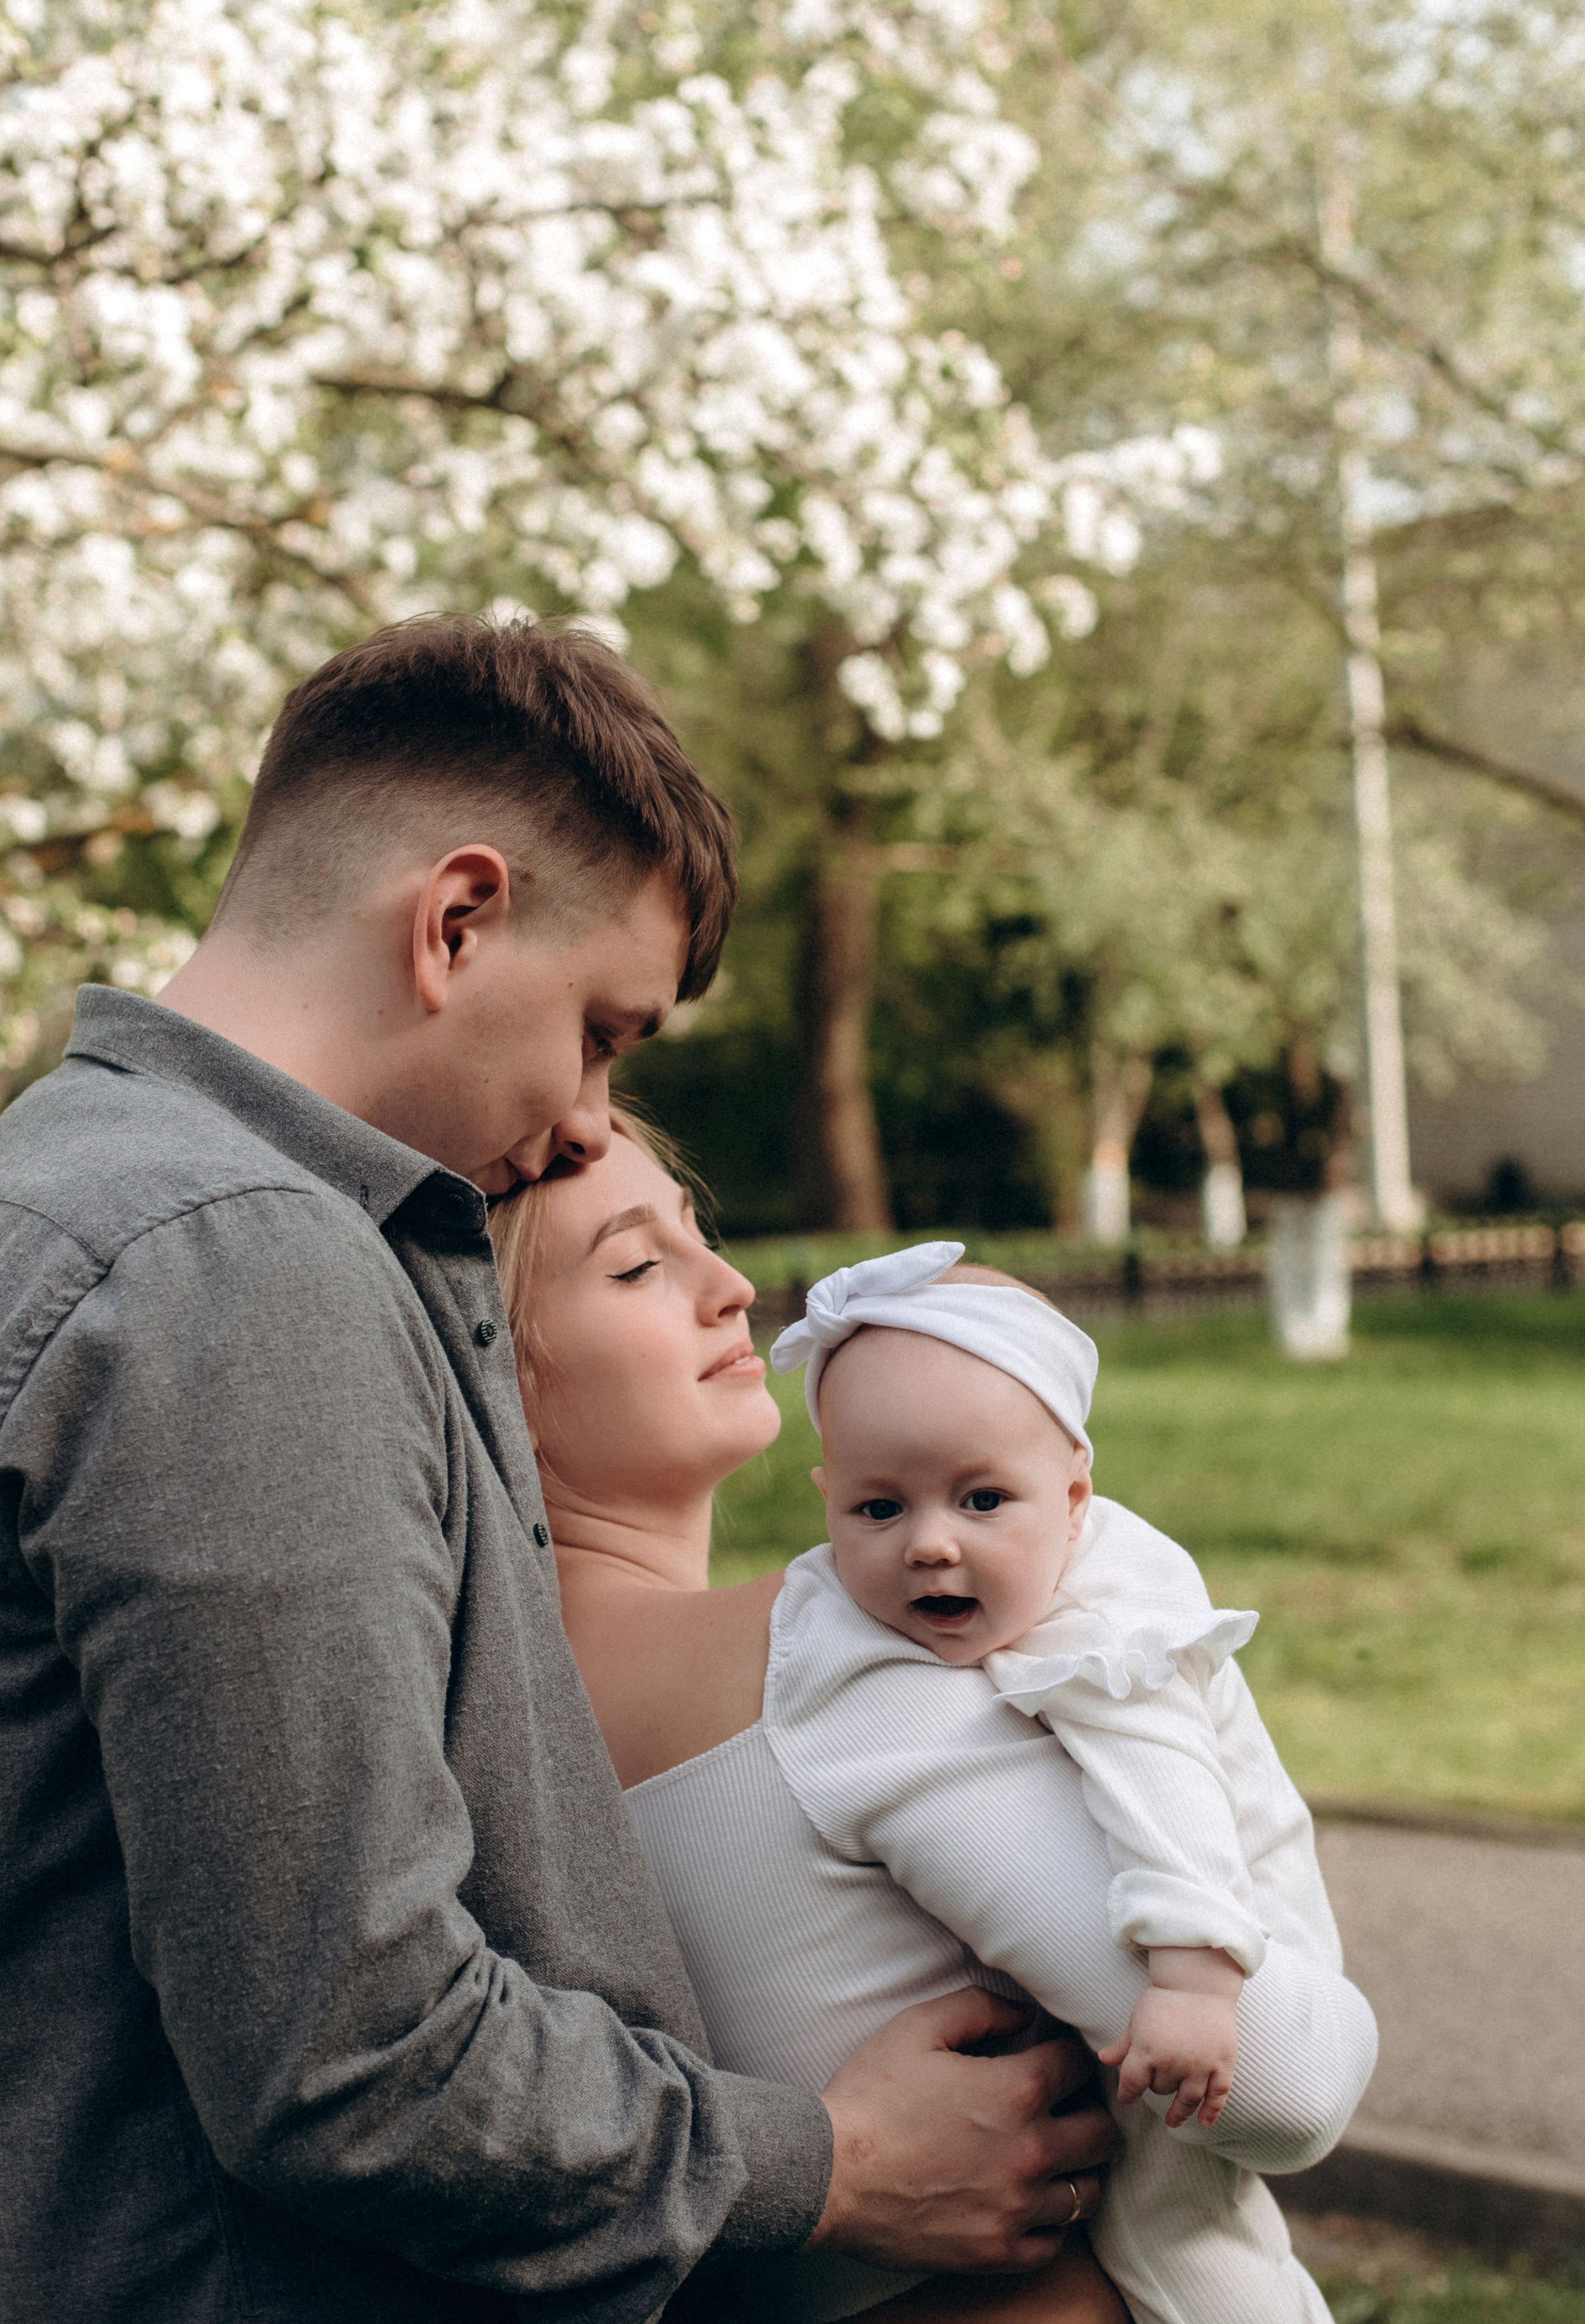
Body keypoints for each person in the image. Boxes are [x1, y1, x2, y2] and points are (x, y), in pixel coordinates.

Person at [0, 616, 1117, 2324]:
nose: (593, 1119)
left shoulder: (59, 1188)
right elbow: (351, 2053)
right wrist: (830, 2163)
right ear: (454, 921)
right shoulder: (241, 1262)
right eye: (602, 1031)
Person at [489, 1122, 1376, 2323]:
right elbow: (1286, 2081)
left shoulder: (483, 1718)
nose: (733, 1288)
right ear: (489, 1361)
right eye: (639, 1266)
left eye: (700, 1234)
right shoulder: (839, 1662)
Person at [771, 1242, 1374, 2321]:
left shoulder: (1108, 1618)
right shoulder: (848, 1600)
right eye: (878, 1509)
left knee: (1181, 2213)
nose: (932, 1545)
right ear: (826, 1497)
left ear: (1076, 1496)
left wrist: (1193, 1978)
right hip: (1163, 1917)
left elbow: (1167, 1791)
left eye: (982, 1498)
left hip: (1227, 1909)